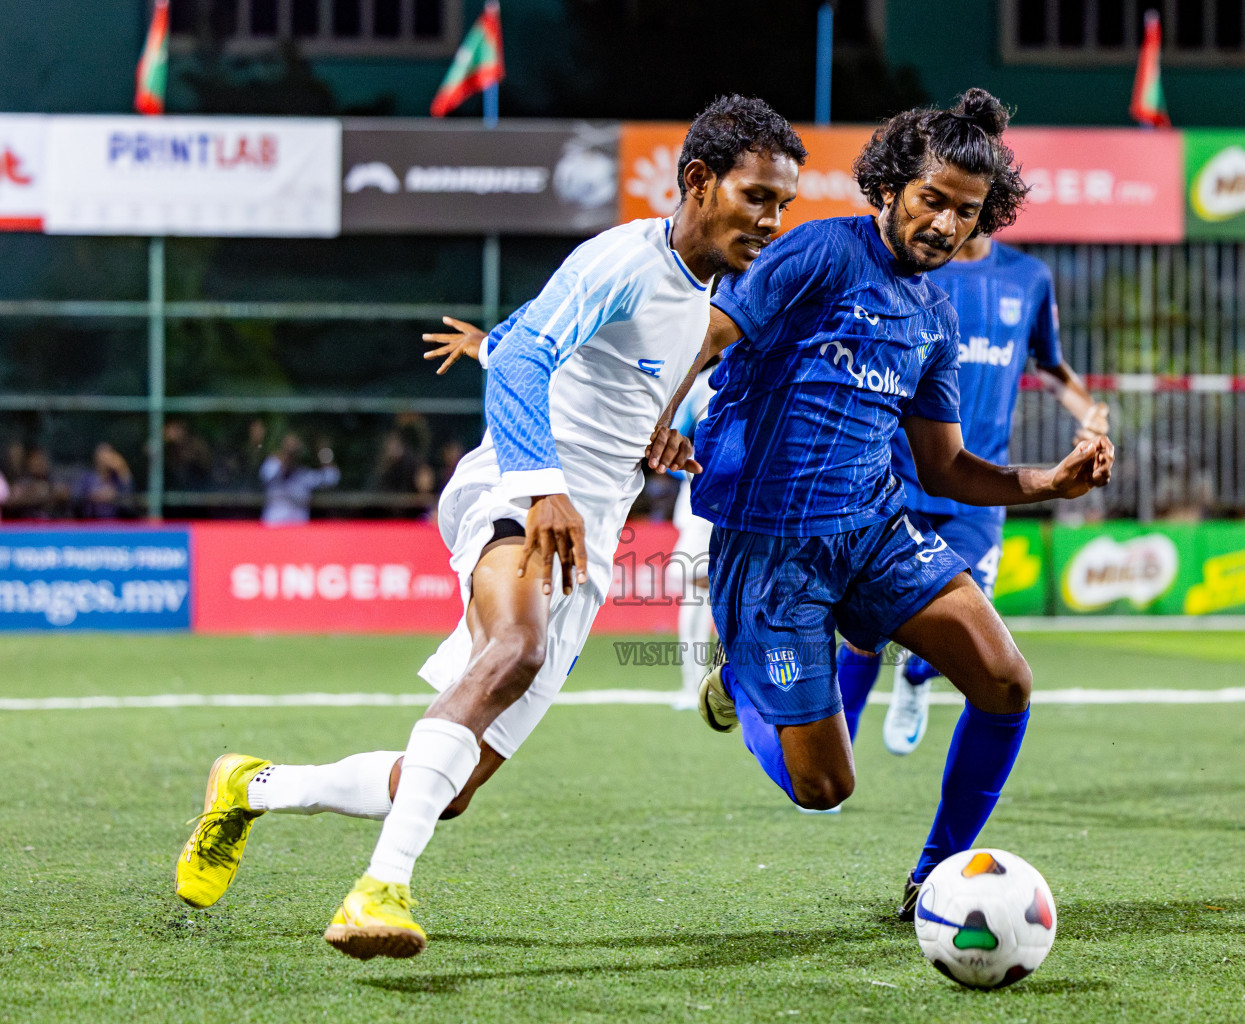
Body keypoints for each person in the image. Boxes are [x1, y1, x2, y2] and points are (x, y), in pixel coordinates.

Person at [172, 95, 807, 961]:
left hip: (591, 536)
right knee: (518, 648)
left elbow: (550, 350)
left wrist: (655, 437)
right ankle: (378, 891)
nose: (771, 220)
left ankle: (252, 786)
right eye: (757, 197)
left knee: (451, 785)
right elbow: (526, 356)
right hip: (516, 492)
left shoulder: (704, 300)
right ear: (697, 182)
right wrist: (543, 478)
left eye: (784, 203)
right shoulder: (624, 257)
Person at [648, 88, 1114, 918]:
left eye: (966, 213)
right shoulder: (819, 254)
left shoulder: (935, 316)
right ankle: (743, 685)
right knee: (823, 788)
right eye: (932, 200)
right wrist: (655, 423)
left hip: (873, 529)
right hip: (770, 549)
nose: (944, 224)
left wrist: (1048, 482)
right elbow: (708, 335)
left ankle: (938, 876)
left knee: (1006, 682)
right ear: (893, 186)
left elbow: (945, 470)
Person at [836, 230, 1109, 761]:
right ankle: (832, 753)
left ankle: (915, 681)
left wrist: (1092, 415)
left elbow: (1051, 366)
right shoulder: (914, 266)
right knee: (863, 632)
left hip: (981, 491)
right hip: (896, 482)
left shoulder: (1029, 277)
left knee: (967, 624)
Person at [667, 373, 718, 710]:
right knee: (700, 587)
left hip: (746, 499)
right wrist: (691, 470)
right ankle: (696, 683)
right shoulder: (703, 382)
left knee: (714, 590)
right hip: (708, 499)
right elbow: (670, 438)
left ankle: (708, 683)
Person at [259, 433, 341, 526]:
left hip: (299, 532)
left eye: (294, 451)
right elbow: (265, 474)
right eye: (288, 449)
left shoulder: (304, 476)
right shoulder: (272, 468)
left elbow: (331, 478)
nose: (291, 455)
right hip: (272, 528)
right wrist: (286, 454)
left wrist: (324, 452)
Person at [72, 443, 135, 519]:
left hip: (115, 525)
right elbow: (76, 499)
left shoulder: (117, 479)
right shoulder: (87, 478)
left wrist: (122, 469)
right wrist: (93, 496)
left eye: (108, 455)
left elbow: (129, 498)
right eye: (101, 455)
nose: (104, 459)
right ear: (96, 457)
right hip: (90, 524)